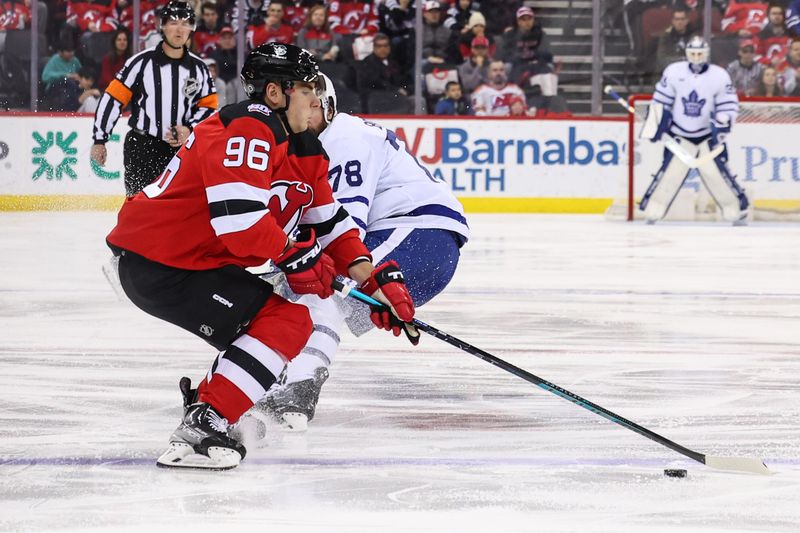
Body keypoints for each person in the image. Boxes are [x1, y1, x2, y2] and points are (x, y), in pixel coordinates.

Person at [105, 44, 416, 470]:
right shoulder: (249, 127)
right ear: (274, 93)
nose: (316, 99)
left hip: (193, 264)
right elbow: (240, 224)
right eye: (306, 89)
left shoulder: (304, 147)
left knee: (280, 330)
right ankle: (203, 424)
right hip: (160, 263)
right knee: (286, 322)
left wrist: (373, 278)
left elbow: (331, 224)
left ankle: (208, 405)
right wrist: (299, 257)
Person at [242, 73, 468, 433]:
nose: (304, 113)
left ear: (328, 107)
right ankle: (285, 378)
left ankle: (299, 388)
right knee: (313, 297)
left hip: (421, 234)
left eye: (314, 106)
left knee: (320, 288)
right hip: (421, 246)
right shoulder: (302, 150)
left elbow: (346, 232)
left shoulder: (345, 136)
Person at [90, 1, 218, 197]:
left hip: (182, 152)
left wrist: (190, 128)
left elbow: (209, 108)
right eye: (174, 22)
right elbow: (112, 100)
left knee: (178, 211)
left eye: (185, 23)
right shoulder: (140, 63)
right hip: (143, 148)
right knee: (139, 211)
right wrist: (100, 139)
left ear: (191, 29)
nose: (179, 28)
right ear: (163, 26)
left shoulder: (199, 69)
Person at [640, 37, 748, 225]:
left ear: (706, 54)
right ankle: (653, 210)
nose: (696, 58)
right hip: (678, 135)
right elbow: (661, 99)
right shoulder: (673, 72)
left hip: (707, 136)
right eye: (693, 54)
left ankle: (735, 211)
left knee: (717, 175)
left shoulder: (719, 75)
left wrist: (724, 119)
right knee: (669, 174)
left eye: (700, 54)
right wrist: (655, 123)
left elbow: (728, 102)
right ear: (687, 54)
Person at [654, 6, 692, 73]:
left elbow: (696, 59)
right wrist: (683, 60)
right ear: (673, 21)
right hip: (668, 73)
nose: (679, 22)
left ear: (687, 21)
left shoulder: (693, 36)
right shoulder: (666, 37)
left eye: (682, 19)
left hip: (688, 73)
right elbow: (662, 60)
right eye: (677, 19)